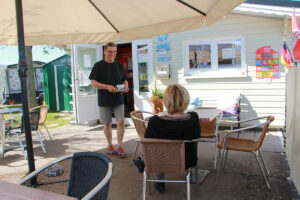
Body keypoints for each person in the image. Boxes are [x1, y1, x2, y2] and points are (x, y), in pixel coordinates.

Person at [144, 84, 201, 192]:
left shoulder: (154, 122)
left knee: (156, 150)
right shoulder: (193, 119)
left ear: (166, 101)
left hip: (159, 162)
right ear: (186, 100)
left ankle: (159, 180)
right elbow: (197, 136)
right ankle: (188, 174)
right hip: (187, 161)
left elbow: (147, 141)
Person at [89, 42, 129, 158]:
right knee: (107, 124)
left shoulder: (119, 65)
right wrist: (107, 87)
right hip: (104, 99)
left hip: (118, 99)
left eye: (114, 52)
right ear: (104, 52)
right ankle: (110, 145)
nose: (112, 54)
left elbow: (124, 80)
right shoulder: (98, 66)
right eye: (110, 51)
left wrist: (125, 87)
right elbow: (93, 83)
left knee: (121, 122)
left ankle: (120, 145)